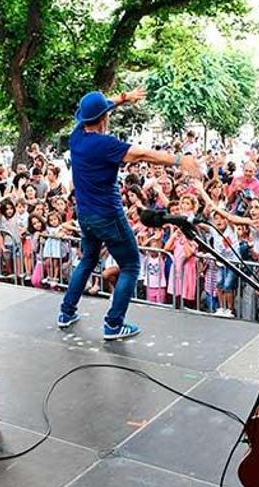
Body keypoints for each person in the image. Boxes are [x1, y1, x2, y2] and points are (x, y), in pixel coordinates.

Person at [57, 88, 200, 340]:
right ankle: (114, 324)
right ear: (104, 119)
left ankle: (66, 312)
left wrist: (122, 100)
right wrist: (180, 160)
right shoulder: (105, 145)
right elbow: (144, 154)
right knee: (132, 265)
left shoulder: (76, 136)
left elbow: (100, 110)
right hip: (108, 215)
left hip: (86, 215)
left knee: (88, 259)